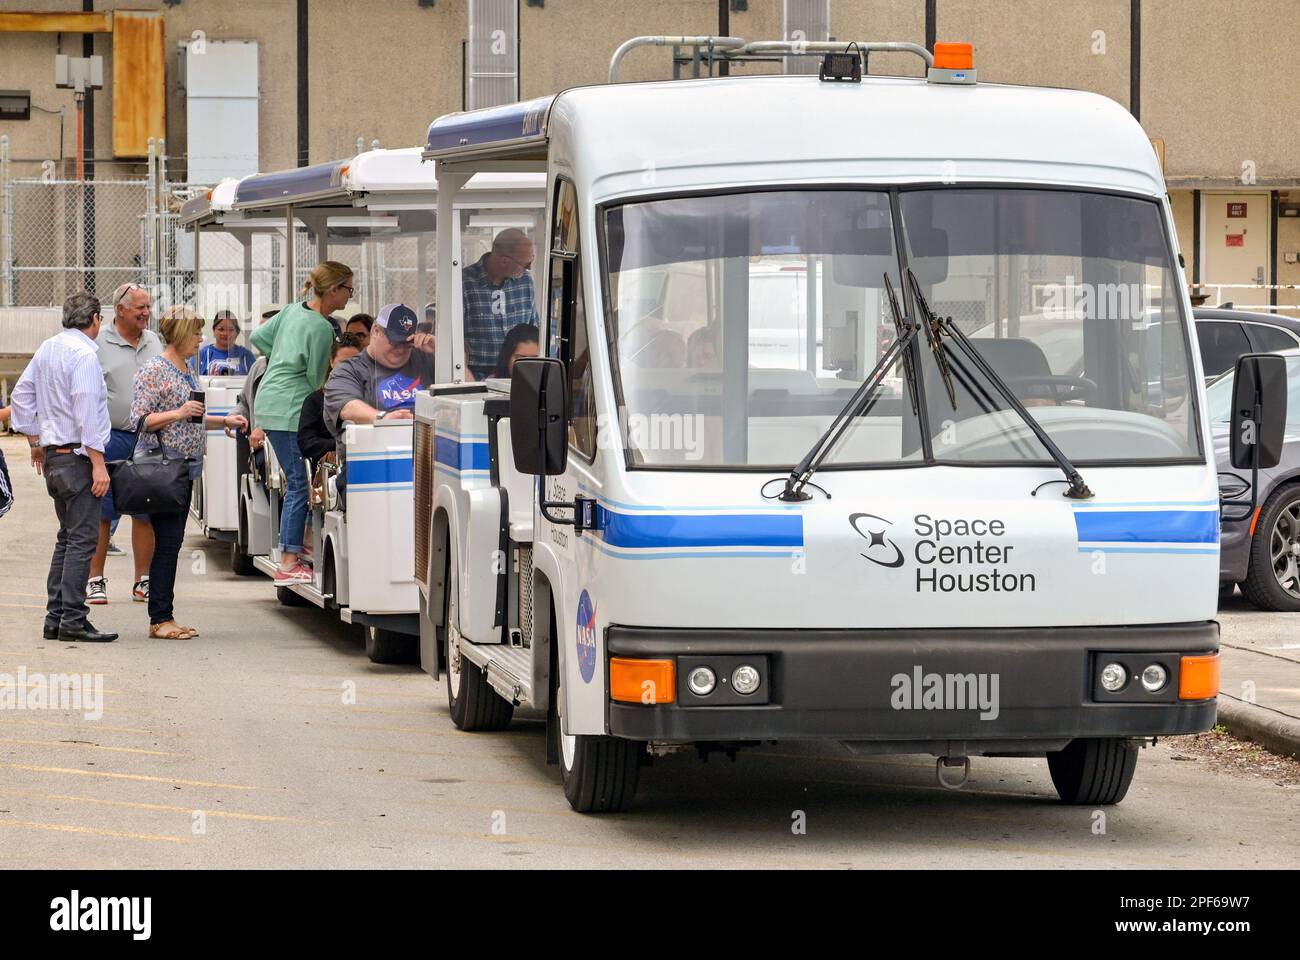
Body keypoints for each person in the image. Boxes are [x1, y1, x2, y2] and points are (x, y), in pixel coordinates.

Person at [130, 306, 248, 639]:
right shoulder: (155, 369)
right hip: (163, 469)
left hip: (184, 468)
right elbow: (139, 420)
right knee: (167, 544)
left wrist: (221, 421)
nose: (201, 338)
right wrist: (179, 411)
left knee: (172, 542)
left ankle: (164, 615)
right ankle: (160, 619)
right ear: (181, 334)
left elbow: (192, 417)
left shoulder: (187, 368)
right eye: (196, 332)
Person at [9, 292, 116, 643]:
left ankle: (56, 617)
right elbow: (86, 407)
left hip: (56, 456)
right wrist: (98, 463)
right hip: (78, 459)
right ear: (96, 319)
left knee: (67, 538)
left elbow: (21, 396)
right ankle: (73, 618)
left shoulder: (48, 348)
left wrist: (36, 440)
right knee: (83, 540)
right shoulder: (84, 355)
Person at [249, 261, 351, 584]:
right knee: (298, 484)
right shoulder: (322, 328)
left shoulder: (292, 310)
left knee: (295, 481)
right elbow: (315, 377)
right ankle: (289, 560)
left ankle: (293, 550)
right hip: (291, 406)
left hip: (270, 399)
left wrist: (280, 356)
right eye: (348, 289)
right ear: (333, 290)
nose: (351, 295)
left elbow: (258, 336)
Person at [89, 282, 161, 606]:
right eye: (140, 309)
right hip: (110, 438)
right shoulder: (98, 343)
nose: (146, 314)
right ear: (120, 310)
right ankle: (95, 580)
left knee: (145, 512)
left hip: (147, 438)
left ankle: (143, 580)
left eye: (148, 307)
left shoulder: (154, 341)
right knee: (102, 513)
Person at [324, 304, 434, 500]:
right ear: (376, 331)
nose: (400, 350)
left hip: (426, 462)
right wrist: (384, 418)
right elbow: (347, 406)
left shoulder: (427, 361)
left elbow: (468, 391)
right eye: (394, 342)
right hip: (370, 466)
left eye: (406, 344)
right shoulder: (349, 370)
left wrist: (443, 354)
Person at [462, 228, 539, 380]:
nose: (529, 269)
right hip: (476, 376)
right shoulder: (464, 282)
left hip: (519, 375)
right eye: (526, 264)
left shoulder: (525, 281)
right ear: (504, 261)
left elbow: (533, 328)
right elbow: (454, 338)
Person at [298, 333, 364, 473]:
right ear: (332, 362)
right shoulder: (314, 401)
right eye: (343, 363)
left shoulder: (372, 399)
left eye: (355, 362)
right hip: (329, 472)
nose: (349, 369)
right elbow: (306, 443)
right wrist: (341, 444)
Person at [194, 310, 256, 375]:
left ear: (237, 332)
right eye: (221, 329)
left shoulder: (246, 356)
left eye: (230, 330)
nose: (225, 333)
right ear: (213, 331)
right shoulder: (201, 355)